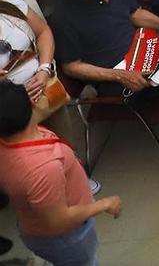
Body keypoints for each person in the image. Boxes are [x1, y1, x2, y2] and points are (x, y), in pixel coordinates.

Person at [0, 79, 123, 266]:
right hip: (65, 237)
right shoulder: (43, 167)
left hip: (34, 225)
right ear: (31, 103)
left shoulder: (8, 141)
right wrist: (104, 204)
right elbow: (59, 220)